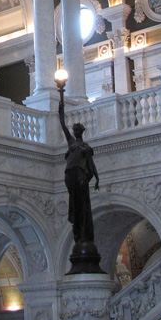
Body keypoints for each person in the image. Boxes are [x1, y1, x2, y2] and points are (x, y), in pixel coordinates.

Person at [58, 100, 99, 244]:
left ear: (80, 131)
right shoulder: (71, 143)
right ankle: (77, 228)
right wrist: (60, 110)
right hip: (70, 174)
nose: (74, 132)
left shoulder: (86, 148)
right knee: (74, 202)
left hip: (81, 175)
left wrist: (97, 179)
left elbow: (91, 164)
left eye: (76, 130)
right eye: (74, 130)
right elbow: (63, 125)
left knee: (82, 204)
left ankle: (82, 231)